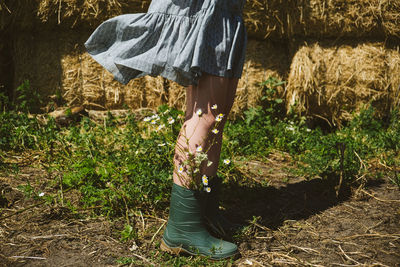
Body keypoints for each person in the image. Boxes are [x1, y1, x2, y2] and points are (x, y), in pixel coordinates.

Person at [85, 0, 247, 260]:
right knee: (204, 115)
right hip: (205, 8)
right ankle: (183, 228)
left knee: (217, 116)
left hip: (223, 10)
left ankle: (202, 213)